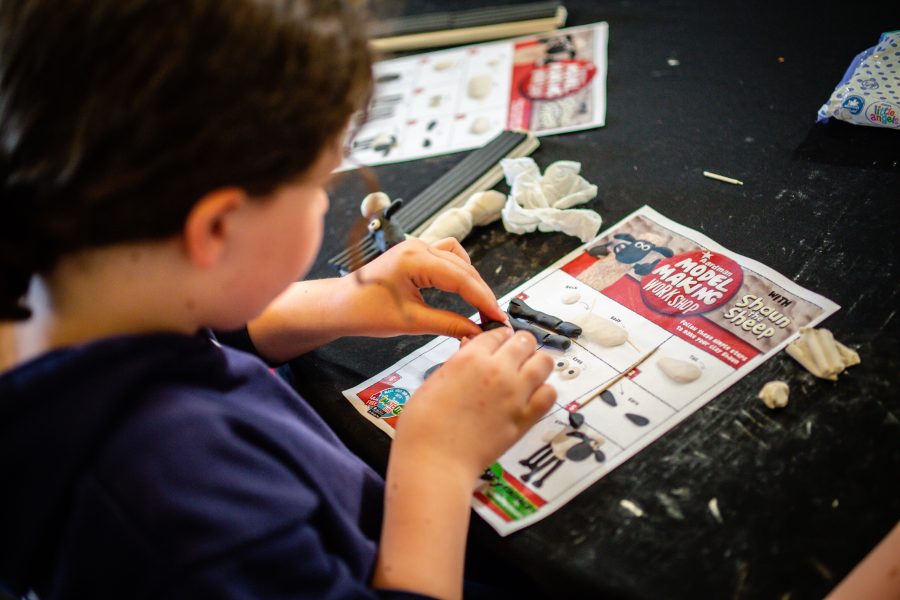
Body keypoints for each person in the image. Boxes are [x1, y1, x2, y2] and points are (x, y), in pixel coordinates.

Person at [0, 1, 556, 599]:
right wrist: (436, 465)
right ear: (216, 229)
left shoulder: (66, 282)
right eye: (320, 184)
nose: (324, 202)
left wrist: (341, 300)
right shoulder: (176, 505)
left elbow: (184, 316)